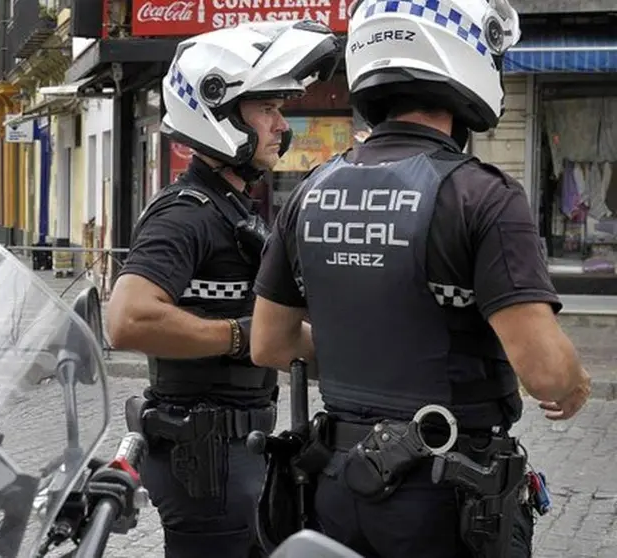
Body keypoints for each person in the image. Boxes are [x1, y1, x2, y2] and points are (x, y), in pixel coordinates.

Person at [249, 1, 591, 557]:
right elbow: (548, 372)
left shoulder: (310, 192)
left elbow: (270, 344)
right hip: (443, 497)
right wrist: (574, 384)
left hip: (334, 488)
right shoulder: (483, 195)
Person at [105, 21, 343, 558]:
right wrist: (241, 337)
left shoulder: (231, 207)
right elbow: (127, 320)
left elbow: (275, 330)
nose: (283, 125)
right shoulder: (183, 215)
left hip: (237, 452)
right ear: (219, 109)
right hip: (205, 460)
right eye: (267, 110)